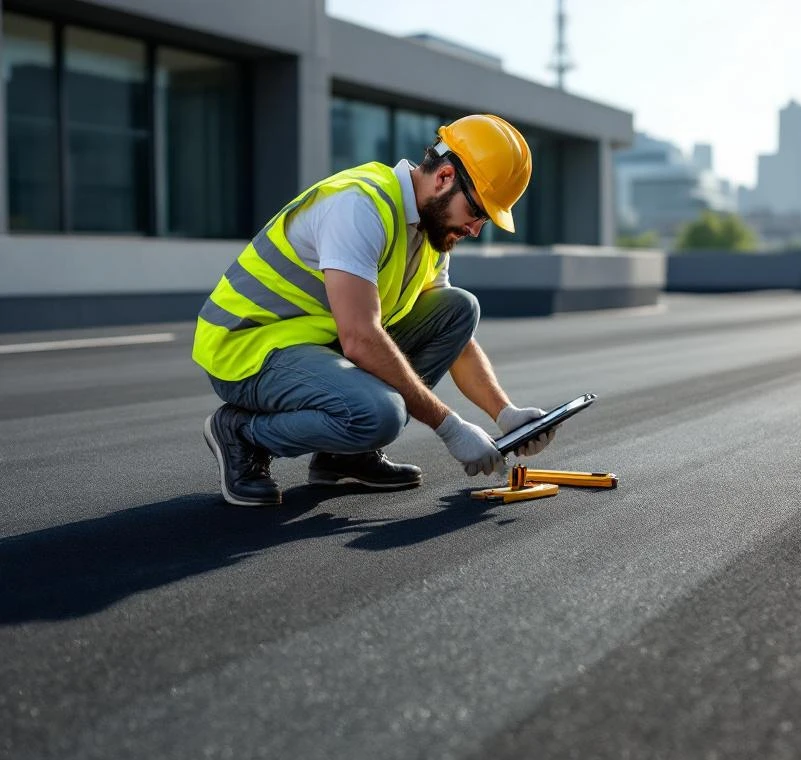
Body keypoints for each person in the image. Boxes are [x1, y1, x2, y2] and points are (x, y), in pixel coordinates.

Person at [192, 114, 556, 506]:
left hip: (318, 346)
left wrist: (505, 414)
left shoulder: (430, 231)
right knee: (379, 414)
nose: (476, 229)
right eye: (478, 211)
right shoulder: (358, 205)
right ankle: (242, 434)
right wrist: (451, 428)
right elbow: (360, 339)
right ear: (445, 177)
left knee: (457, 309)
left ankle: (345, 455)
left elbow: (455, 339)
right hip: (250, 349)